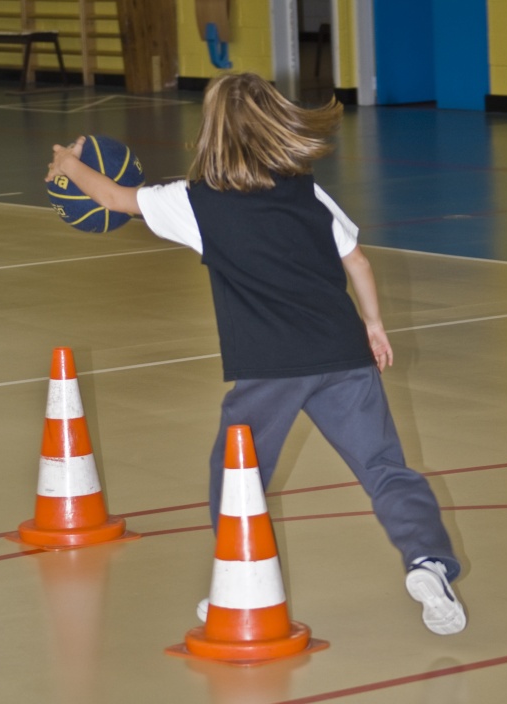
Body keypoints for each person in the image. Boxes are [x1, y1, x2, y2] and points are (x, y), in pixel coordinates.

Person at [45, 72, 466, 636]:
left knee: (237, 476)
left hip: (271, 370)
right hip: (344, 352)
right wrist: (373, 325)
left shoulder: (194, 203)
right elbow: (358, 262)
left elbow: (115, 197)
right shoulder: (307, 190)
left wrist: (70, 165)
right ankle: (427, 562)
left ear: (210, 132)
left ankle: (236, 580)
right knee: (386, 468)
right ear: (276, 124)